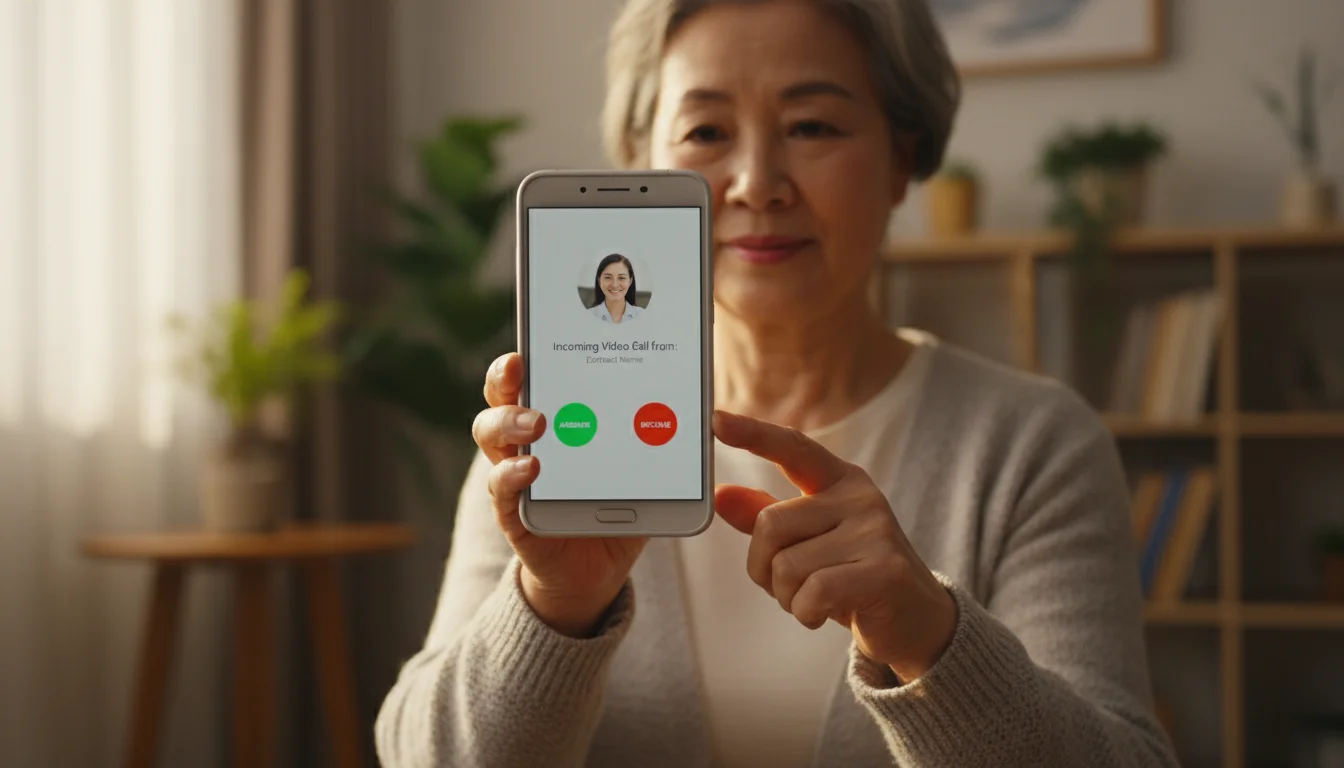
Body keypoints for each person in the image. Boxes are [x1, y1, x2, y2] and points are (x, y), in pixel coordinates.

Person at [375, 0, 1181, 766]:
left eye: (811, 126)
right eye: (705, 130)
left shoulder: (1033, 446)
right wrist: (551, 604)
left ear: (902, 159)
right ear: (642, 161)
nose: (757, 183)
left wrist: (929, 637)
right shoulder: (555, 445)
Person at [587, 253, 642, 324]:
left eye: (621, 278)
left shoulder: (644, 316)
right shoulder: (587, 316)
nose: (615, 285)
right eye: (608, 277)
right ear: (599, 280)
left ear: (630, 281)